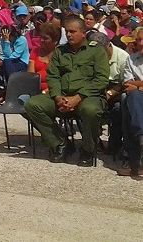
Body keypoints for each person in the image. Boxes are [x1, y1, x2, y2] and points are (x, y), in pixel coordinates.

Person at [24, 16, 109, 166]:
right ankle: (60, 143)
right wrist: (57, 97)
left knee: (91, 110)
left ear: (83, 33)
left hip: (87, 96)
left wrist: (78, 97)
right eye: (67, 32)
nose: (69, 35)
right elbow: (53, 76)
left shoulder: (96, 51)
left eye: (72, 31)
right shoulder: (60, 52)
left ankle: (88, 149)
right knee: (33, 104)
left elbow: (101, 79)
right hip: (62, 96)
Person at [119, 27, 143, 177]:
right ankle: (141, 138)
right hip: (137, 98)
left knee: (131, 101)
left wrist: (138, 84)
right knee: (129, 98)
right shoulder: (131, 59)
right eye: (139, 40)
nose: (141, 43)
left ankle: (134, 160)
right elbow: (128, 85)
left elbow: (134, 84)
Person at [28, 22, 60, 93]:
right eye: (41, 37)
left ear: (55, 41)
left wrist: (46, 91)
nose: (42, 40)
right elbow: (31, 76)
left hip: (54, 91)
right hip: (35, 90)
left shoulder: (60, 54)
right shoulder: (35, 51)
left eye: (45, 38)